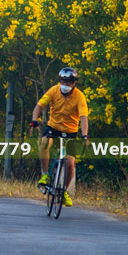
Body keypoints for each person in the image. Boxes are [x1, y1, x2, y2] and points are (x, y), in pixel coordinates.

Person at [31, 67, 89, 207]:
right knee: (44, 144)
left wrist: (85, 135)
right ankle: (45, 174)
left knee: (70, 163)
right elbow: (39, 106)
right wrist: (34, 120)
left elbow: (83, 117)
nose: (65, 85)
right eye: (63, 81)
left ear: (74, 83)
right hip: (53, 128)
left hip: (70, 132)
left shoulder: (79, 96)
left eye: (69, 82)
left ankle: (64, 192)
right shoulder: (54, 90)